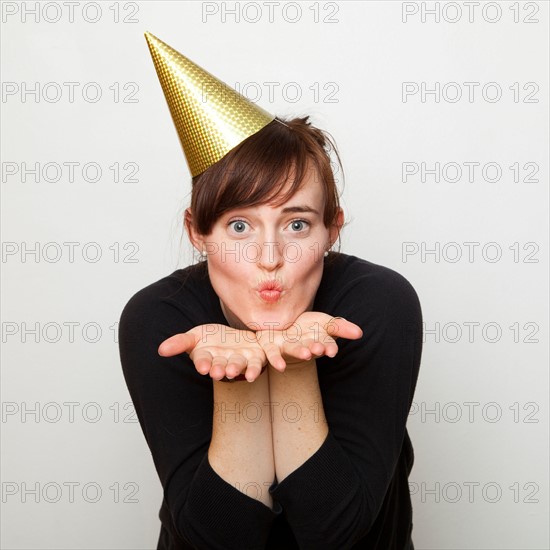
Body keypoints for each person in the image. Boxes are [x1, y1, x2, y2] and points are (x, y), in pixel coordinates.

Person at [118, 32, 423, 550]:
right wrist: (235, 380)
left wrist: (293, 366)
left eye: (298, 225)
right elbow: (220, 540)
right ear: (198, 231)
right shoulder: (159, 318)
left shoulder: (377, 302)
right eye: (239, 226)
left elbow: (335, 532)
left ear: (333, 228)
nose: (268, 257)